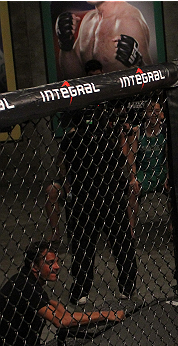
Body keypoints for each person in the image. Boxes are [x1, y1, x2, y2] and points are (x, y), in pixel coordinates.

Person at [0, 241, 125, 346]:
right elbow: (62, 321)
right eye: (50, 263)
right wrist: (107, 314)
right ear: (34, 266)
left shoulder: (24, 280)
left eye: (57, 262)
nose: (57, 267)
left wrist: (61, 309)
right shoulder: (26, 287)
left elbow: (57, 308)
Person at [63, 98, 137, 305]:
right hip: (104, 196)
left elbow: (65, 163)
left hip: (87, 197)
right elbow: (121, 160)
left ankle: (81, 290)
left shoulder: (72, 140)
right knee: (118, 242)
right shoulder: (100, 138)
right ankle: (126, 286)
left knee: (84, 245)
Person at [45, 60, 105, 243]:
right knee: (52, 190)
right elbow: (61, 160)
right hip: (75, 174)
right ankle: (56, 233)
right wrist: (65, 181)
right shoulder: (72, 136)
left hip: (98, 171)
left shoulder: (105, 101)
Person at [55, 1, 153, 79]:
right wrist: (65, 45)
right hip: (92, 102)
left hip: (121, 101)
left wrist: (139, 62)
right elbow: (73, 77)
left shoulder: (129, 21)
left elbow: (153, 82)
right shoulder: (88, 19)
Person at [126, 99, 168, 234]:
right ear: (145, 114)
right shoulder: (138, 131)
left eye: (157, 111)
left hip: (161, 170)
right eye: (151, 111)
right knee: (132, 189)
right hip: (144, 172)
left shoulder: (166, 131)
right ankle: (130, 230)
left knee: (176, 187)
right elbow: (131, 157)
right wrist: (133, 177)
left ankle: (174, 228)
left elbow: (168, 156)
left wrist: (168, 175)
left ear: (162, 114)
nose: (154, 114)